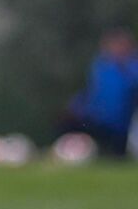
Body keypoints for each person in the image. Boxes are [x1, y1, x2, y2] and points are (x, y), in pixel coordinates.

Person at [57, 28, 138, 161]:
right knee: (66, 123)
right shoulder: (101, 66)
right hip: (98, 119)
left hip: (122, 125)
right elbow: (91, 92)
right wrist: (75, 107)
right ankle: (71, 153)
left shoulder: (132, 67)